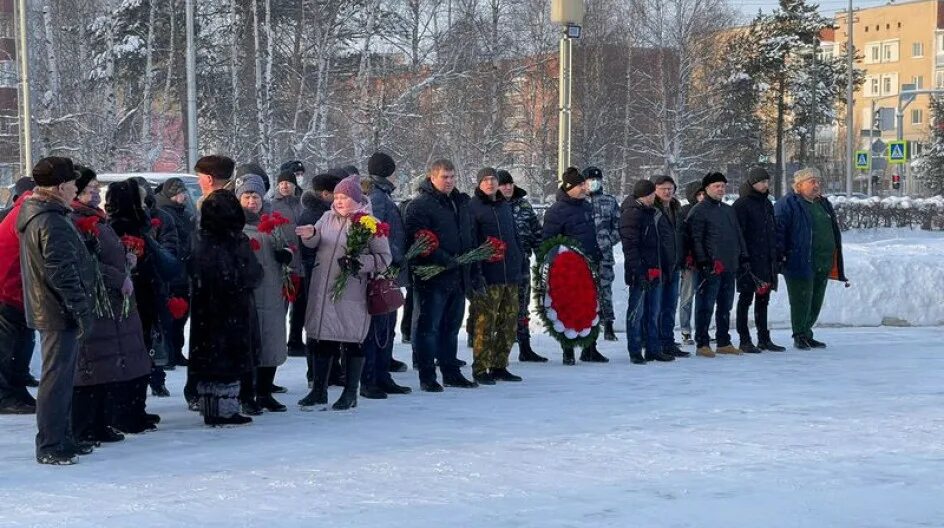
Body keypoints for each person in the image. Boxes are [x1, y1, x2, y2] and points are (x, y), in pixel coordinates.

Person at [17, 157, 97, 465]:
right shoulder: (49, 220)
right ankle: (51, 443)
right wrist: (80, 309)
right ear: (61, 186)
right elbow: (61, 272)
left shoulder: (47, 214)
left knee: (61, 377)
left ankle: (61, 437)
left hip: (52, 307)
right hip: (56, 309)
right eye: (74, 183)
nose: (77, 188)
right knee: (56, 378)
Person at [69, 167, 152, 444]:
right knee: (92, 363)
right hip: (99, 300)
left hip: (113, 301)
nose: (95, 193)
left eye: (96, 188)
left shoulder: (95, 218)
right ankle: (87, 425)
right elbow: (86, 262)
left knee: (106, 362)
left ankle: (101, 422)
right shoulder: (76, 219)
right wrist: (117, 277)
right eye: (90, 188)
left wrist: (126, 262)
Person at [295, 175, 392, 410]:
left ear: (356, 200)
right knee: (322, 339)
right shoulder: (327, 218)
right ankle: (319, 391)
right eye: (336, 197)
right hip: (324, 289)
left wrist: (360, 261)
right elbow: (317, 241)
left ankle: (350, 393)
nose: (338, 201)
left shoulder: (370, 223)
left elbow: (385, 259)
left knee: (351, 341)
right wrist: (310, 235)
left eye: (344, 197)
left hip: (352, 292)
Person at [403, 159, 482, 391]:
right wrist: (446, 259)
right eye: (444, 177)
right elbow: (418, 238)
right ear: (432, 177)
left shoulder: (460, 202)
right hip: (433, 276)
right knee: (429, 327)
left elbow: (469, 235)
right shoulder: (420, 205)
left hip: (458, 275)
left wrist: (470, 263)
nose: (449, 181)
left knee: (451, 327)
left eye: (452, 176)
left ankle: (451, 370)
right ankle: (427, 375)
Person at [106, 179, 176, 432]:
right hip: (134, 296)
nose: (146, 204)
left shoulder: (136, 224)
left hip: (144, 294)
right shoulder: (123, 227)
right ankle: (127, 411)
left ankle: (137, 408)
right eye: (141, 199)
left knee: (142, 351)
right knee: (134, 354)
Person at [190, 190, 263, 426]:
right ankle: (227, 409)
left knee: (210, 358)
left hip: (206, 310)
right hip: (232, 308)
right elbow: (250, 274)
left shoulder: (201, 239)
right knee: (230, 359)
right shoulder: (235, 241)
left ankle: (210, 407)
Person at [774, 167, 848, 350]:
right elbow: (778, 232)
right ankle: (799, 334)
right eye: (812, 181)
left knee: (815, 301)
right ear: (799, 185)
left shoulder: (822, 203)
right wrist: (781, 255)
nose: (817, 185)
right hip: (799, 261)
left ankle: (807, 332)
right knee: (801, 301)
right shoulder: (788, 204)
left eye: (818, 181)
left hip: (823, 262)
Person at [186, 154, 237, 408]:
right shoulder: (227, 203)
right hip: (221, 284)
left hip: (213, 284)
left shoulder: (214, 205)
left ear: (208, 178)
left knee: (212, 344)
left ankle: (214, 401)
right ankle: (214, 399)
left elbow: (210, 248)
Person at [237, 175, 291, 413]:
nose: (252, 201)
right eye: (247, 196)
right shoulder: (235, 226)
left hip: (272, 292)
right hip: (247, 294)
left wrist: (287, 253)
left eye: (256, 196)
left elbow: (287, 246)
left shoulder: (272, 223)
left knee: (271, 342)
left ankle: (265, 392)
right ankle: (246, 394)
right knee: (248, 345)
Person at [360, 152, 412, 399]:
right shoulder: (378, 198)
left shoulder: (381, 195)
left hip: (388, 268)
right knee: (379, 328)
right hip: (382, 270)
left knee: (386, 325)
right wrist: (393, 256)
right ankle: (372, 377)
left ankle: (382, 374)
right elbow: (377, 232)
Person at [542, 167, 606, 365]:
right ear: (569, 188)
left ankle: (590, 348)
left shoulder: (587, 206)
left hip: (590, 265)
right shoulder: (556, 211)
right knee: (568, 307)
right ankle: (567, 350)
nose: (584, 187)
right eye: (580, 185)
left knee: (592, 306)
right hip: (568, 269)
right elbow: (548, 242)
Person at [468, 168, 525, 385]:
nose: (490, 183)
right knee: (485, 323)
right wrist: (477, 272)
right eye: (485, 180)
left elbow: (514, 236)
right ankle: (481, 367)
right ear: (479, 183)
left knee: (509, 322)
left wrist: (520, 262)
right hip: (488, 275)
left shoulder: (504, 206)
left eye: (493, 179)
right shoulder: (473, 208)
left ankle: (500, 364)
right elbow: (472, 242)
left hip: (510, 273)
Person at [687, 172, 748, 358]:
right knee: (705, 305)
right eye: (716, 186)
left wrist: (744, 256)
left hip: (729, 265)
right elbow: (695, 239)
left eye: (723, 186)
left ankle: (723, 341)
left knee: (725, 305)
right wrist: (703, 261)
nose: (721, 189)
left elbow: (738, 235)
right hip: (710, 266)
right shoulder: (698, 210)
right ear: (706, 189)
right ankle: (702, 342)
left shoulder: (728, 210)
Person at [132, 177, 180, 397]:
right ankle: (137, 383)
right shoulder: (126, 219)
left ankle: (158, 378)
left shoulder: (162, 218)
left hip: (155, 283)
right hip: (133, 286)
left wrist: (150, 246)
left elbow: (171, 252)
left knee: (156, 334)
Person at [296, 171, 343, 391]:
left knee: (329, 326)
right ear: (325, 194)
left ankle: (331, 371)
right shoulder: (313, 215)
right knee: (316, 327)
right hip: (314, 276)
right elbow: (310, 249)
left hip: (326, 275)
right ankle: (315, 372)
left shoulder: (326, 212)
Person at [620, 180, 674, 364]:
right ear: (646, 195)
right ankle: (635, 350)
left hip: (654, 269)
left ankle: (653, 348)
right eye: (652, 194)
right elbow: (630, 247)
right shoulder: (632, 214)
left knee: (653, 312)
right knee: (636, 313)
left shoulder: (649, 212)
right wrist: (639, 272)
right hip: (640, 272)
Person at [733, 167, 785, 353]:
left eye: (767, 181)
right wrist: (743, 258)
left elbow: (772, 232)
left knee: (763, 300)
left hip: (766, 260)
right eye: (761, 181)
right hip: (749, 261)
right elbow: (739, 235)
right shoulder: (742, 205)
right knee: (745, 299)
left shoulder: (767, 204)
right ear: (753, 183)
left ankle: (763, 338)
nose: (765, 185)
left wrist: (776, 255)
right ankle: (744, 339)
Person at [498, 170, 547, 363]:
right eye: (504, 184)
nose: (508, 187)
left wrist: (542, 254)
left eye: (510, 183)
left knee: (521, 306)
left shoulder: (524, 206)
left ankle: (525, 347)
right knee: (500, 308)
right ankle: (497, 351)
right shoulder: (492, 206)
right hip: (499, 266)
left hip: (521, 264)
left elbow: (536, 233)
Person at [0, 183, 37, 414]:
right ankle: (4, 396)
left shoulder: (27, 210)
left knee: (20, 346)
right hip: (7, 289)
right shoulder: (29, 213)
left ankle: (16, 390)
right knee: (6, 347)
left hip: (18, 292)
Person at [155, 178, 196, 369]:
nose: (184, 196)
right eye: (180, 193)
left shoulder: (184, 213)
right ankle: (169, 353)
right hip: (173, 271)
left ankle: (176, 351)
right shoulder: (165, 214)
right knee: (171, 315)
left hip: (184, 270)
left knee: (181, 315)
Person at [652, 175, 689, 358]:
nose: (667, 192)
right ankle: (655, 342)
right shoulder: (653, 209)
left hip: (674, 265)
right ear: (655, 190)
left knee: (670, 306)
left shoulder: (676, 207)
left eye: (670, 188)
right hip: (659, 265)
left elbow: (680, 235)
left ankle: (667, 341)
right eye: (663, 188)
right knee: (656, 307)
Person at [273, 163, 307, 358]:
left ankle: (295, 340)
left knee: (300, 304)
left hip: (301, 261)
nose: (285, 186)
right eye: (282, 183)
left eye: (288, 183)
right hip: (284, 262)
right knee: (281, 304)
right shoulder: (272, 205)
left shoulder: (302, 202)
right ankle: (278, 341)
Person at [584, 167, 621, 341]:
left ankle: (608, 325)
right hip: (583, 255)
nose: (593, 182)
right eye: (590, 179)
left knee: (605, 290)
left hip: (605, 255)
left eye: (596, 179)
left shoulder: (609, 201)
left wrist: (608, 240)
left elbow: (619, 226)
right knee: (585, 290)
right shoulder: (579, 202)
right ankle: (587, 324)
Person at [677, 180, 704, 346]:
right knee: (687, 298)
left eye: (703, 193)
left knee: (705, 298)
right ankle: (685, 330)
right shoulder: (685, 212)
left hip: (706, 261)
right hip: (690, 262)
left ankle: (703, 329)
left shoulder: (710, 211)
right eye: (698, 194)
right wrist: (686, 256)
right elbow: (682, 237)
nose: (701, 197)